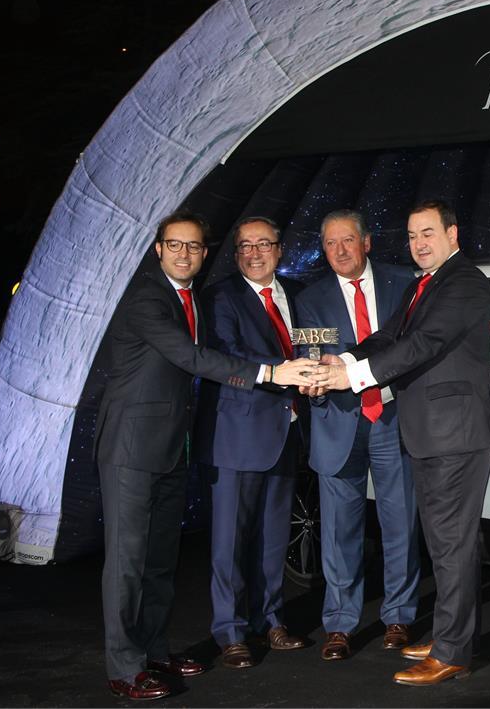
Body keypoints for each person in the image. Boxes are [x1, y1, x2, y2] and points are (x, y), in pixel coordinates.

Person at [95, 212, 315, 700]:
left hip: (173, 447)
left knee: (157, 561)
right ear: (158, 249)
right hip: (131, 449)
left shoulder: (189, 297)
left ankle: (154, 649)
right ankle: (125, 668)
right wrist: (270, 374)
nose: (184, 255)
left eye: (194, 247)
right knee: (127, 563)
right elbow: (193, 358)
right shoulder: (147, 298)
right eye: (175, 246)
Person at [310, 199, 490, 687]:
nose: (419, 244)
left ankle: (453, 652)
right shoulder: (424, 285)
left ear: (453, 235)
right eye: (413, 235)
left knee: (452, 545)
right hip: (433, 433)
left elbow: (423, 345)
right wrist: (343, 362)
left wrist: (354, 376)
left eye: (428, 234)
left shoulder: (464, 283)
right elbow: (386, 336)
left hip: (455, 433)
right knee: (445, 544)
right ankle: (449, 637)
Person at [293, 210, 421, 661]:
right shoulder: (309, 299)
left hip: (392, 418)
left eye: (347, 240)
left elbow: (413, 347)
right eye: (330, 243)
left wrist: (349, 363)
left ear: (366, 242)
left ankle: (400, 615)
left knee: (400, 523)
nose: (339, 251)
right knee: (339, 530)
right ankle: (340, 624)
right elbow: (308, 353)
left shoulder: (403, 282)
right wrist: (309, 377)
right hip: (338, 422)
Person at [194, 217, 307, 669]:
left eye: (264, 244)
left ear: (280, 250)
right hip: (236, 436)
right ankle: (230, 630)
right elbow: (226, 357)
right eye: (245, 246)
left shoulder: (296, 295)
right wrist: (284, 370)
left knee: (273, 537)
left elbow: (311, 352)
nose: (255, 252)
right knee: (230, 541)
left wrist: (317, 375)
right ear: (235, 253)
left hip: (286, 431)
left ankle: (270, 619)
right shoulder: (221, 297)